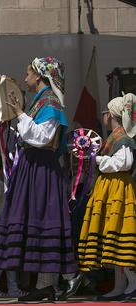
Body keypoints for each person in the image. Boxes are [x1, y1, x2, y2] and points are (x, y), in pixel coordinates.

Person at [0, 57, 78, 301]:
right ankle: (44, 285)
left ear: (39, 76)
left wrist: (19, 113)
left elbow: (41, 138)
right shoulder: (39, 102)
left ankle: (53, 281)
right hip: (33, 166)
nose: (25, 77)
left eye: (28, 73)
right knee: (36, 219)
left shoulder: (50, 102)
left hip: (42, 168)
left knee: (42, 218)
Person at [78, 93, 136, 301]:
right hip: (111, 188)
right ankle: (120, 286)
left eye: (105, 111)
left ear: (111, 114)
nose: (103, 114)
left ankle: (132, 283)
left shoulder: (123, 138)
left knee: (118, 235)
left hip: (118, 189)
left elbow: (125, 163)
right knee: (111, 238)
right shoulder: (116, 137)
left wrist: (97, 159)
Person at [0, 157, 25, 297]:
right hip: (0, 224)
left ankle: (9, 288)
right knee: (4, 256)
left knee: (8, 256)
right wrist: (7, 213)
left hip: (9, 225)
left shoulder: (9, 185)